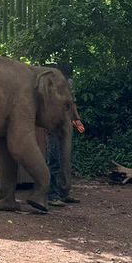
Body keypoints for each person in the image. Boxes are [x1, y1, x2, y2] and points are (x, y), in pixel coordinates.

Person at [46, 62, 81, 207]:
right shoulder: (50, 85)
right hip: (53, 124)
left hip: (66, 124)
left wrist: (77, 122)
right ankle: (52, 195)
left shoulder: (69, 84)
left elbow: (72, 103)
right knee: (53, 159)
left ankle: (64, 192)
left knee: (65, 159)